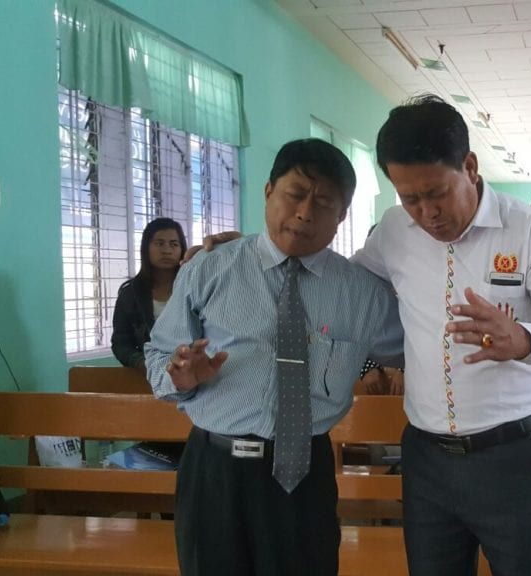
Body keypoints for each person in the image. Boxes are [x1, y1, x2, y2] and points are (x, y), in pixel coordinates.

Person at [353, 95, 531, 576]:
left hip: (512, 456)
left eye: (436, 193)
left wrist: (526, 339)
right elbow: (347, 288)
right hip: (426, 459)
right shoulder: (393, 231)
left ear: (469, 166)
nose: (426, 213)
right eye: (409, 198)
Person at [145, 139, 403, 576]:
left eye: (323, 202)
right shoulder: (209, 268)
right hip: (215, 473)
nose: (305, 212)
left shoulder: (363, 294)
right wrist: (182, 377)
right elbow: (158, 354)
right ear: (268, 192)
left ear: (341, 216)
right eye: (295, 193)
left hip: (303, 476)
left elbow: (419, 348)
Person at [111, 218, 187, 371]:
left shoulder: (195, 287)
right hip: (148, 375)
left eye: (174, 244)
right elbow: (121, 343)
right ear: (146, 248)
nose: (167, 250)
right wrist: (144, 364)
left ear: (182, 249)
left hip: (193, 372)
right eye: (159, 243)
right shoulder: (130, 294)